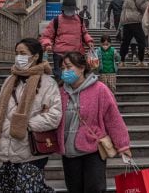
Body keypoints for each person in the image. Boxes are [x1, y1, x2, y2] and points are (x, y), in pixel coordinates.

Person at [0, 38, 62, 193]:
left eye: (23, 53)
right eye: (17, 53)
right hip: (8, 150)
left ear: (35, 56)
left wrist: (25, 125)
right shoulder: (9, 81)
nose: (19, 57)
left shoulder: (47, 83)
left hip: (32, 151)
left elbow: (54, 115)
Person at [57, 51, 131, 192]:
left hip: (93, 149)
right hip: (69, 152)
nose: (65, 71)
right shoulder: (60, 92)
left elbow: (113, 118)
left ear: (82, 67)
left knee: (95, 189)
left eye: (68, 67)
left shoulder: (100, 89)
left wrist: (123, 145)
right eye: (62, 68)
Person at [40, 0, 94, 81]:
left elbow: (84, 33)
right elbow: (46, 36)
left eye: (71, 9)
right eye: (67, 9)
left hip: (77, 54)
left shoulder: (80, 19)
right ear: (63, 9)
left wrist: (89, 41)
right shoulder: (56, 20)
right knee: (60, 77)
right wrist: (47, 44)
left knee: (78, 78)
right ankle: (62, 93)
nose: (69, 11)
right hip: (60, 55)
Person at [119, 0, 149, 67]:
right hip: (136, 21)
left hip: (126, 21)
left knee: (125, 42)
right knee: (141, 41)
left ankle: (122, 61)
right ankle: (141, 61)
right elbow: (145, 7)